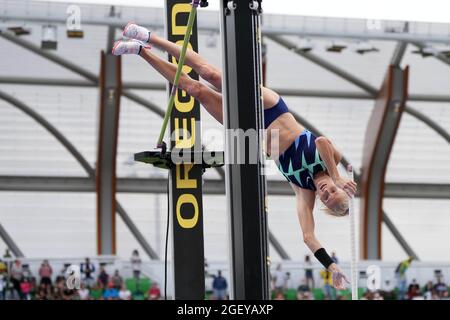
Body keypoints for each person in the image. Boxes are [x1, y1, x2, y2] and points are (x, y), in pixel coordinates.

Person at [112, 23, 356, 290]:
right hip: (272, 108)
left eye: (326, 198)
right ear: (337, 184)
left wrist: (331, 266)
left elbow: (308, 237)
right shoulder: (331, 161)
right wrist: (336, 174)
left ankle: (141, 51)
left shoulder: (303, 191)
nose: (325, 192)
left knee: (196, 91)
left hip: (251, 130)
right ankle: (150, 37)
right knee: (211, 75)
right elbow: (322, 141)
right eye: (332, 191)